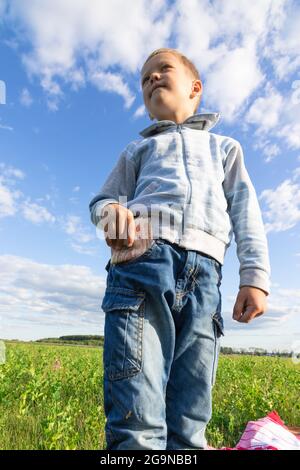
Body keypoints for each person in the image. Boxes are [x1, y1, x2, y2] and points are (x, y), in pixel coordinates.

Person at [89, 47, 271, 450]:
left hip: (206, 279)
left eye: (163, 69)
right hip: (142, 268)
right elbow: (101, 202)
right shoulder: (139, 149)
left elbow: (245, 212)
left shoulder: (225, 148)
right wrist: (112, 213)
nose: (152, 78)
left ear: (195, 88)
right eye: (144, 79)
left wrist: (254, 277)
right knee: (136, 409)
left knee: (190, 416)